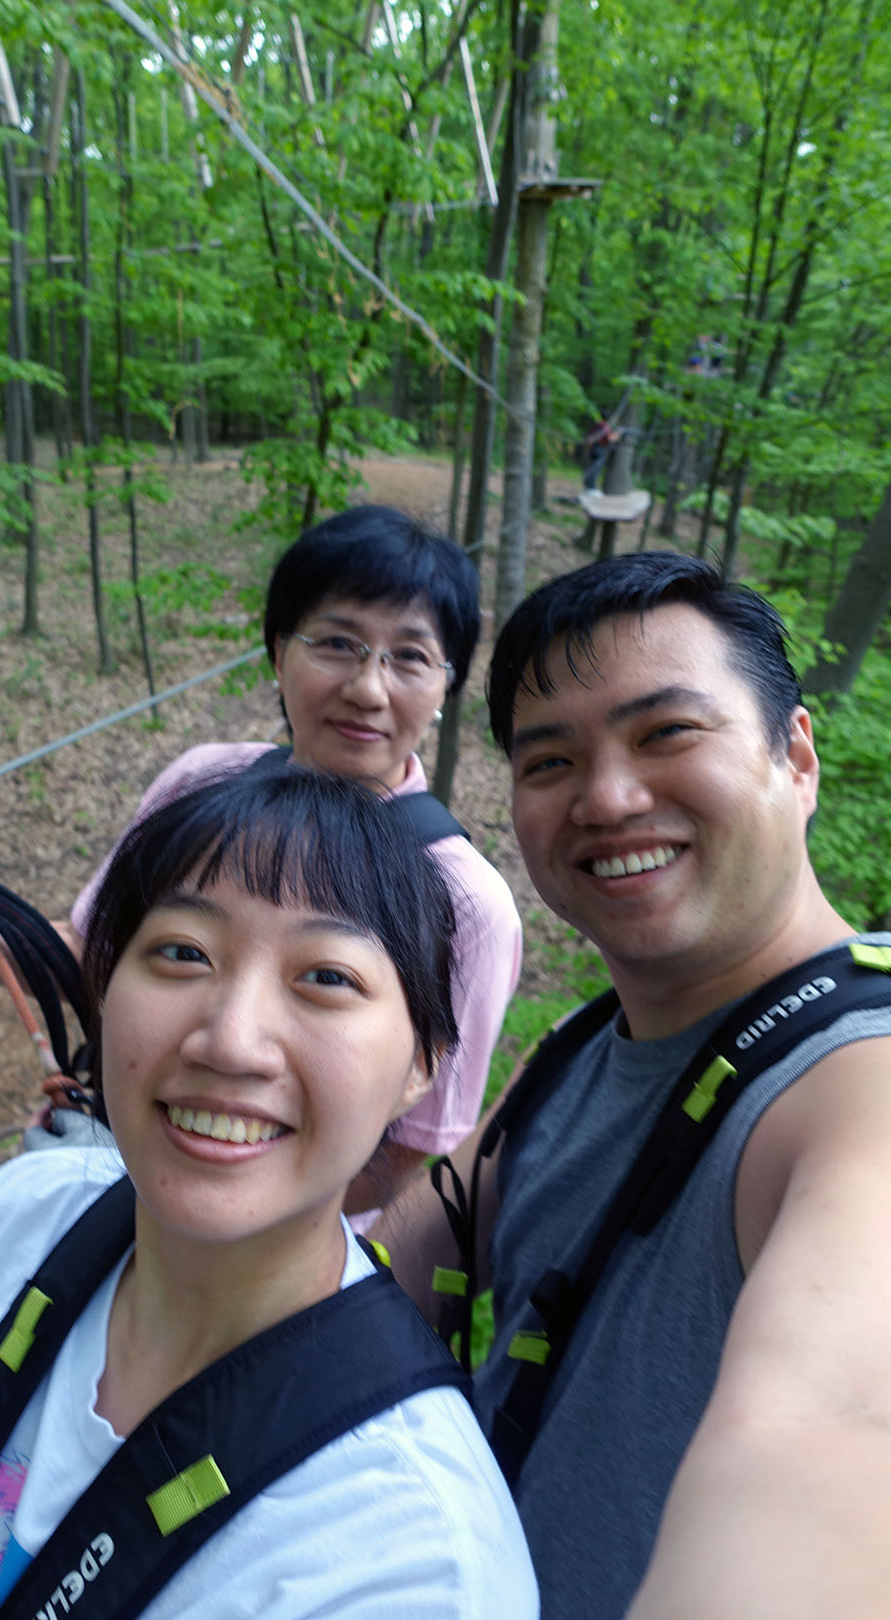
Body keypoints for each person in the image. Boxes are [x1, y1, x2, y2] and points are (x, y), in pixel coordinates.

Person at [0, 768, 538, 1620]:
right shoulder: (30, 1217)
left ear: (422, 1066)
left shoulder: (413, 1563)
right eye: (184, 953)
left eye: (327, 977)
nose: (231, 1042)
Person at [375, 550, 891, 1620]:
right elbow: (394, 1265)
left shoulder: (855, 1078)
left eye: (667, 734)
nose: (607, 798)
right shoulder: (583, 1046)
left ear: (797, 757)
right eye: (551, 761)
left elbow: (830, 1435)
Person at [0, 506, 522, 1219]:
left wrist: (164, 1206)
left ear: (446, 685)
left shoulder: (466, 903)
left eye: (410, 657)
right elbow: (82, 957)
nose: (368, 688)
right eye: (337, 643)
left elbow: (405, 1155)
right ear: (279, 652)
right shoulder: (203, 784)